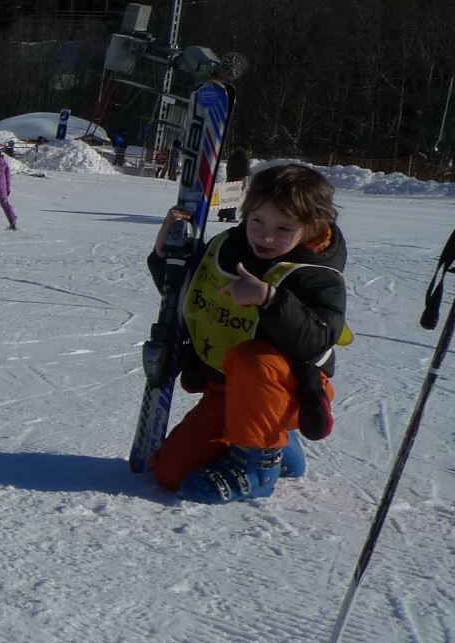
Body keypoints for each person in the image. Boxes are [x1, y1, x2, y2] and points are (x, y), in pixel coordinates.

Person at [148, 164, 347, 503]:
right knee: (169, 473)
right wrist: (165, 255)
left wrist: (270, 300)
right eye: (257, 221)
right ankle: (276, 442)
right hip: (229, 387)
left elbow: (316, 341)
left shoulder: (317, 274)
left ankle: (258, 466)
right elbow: (191, 297)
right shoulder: (229, 245)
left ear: (313, 227)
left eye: (284, 228)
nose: (265, 237)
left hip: (287, 388)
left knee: (254, 357)